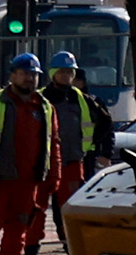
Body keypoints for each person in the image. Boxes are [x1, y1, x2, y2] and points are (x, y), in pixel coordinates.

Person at [0, 53, 56, 255]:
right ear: (12, 76)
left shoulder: (44, 107)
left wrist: (53, 178)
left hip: (27, 182)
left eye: (33, 75)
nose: (29, 79)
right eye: (24, 74)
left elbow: (54, 144)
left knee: (18, 229)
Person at [38, 52, 103, 205]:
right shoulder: (41, 97)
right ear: (53, 74)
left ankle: (63, 230)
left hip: (72, 162)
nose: (66, 75)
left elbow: (104, 121)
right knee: (38, 205)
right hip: (44, 162)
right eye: (62, 72)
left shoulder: (80, 97)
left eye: (70, 72)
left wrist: (87, 147)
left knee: (69, 205)